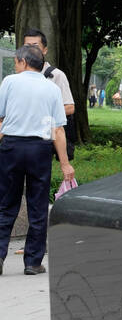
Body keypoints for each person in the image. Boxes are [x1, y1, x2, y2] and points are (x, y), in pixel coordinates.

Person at [0, 44, 75, 275]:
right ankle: (32, 262)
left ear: (23, 62)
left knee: (5, 204)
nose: (15, 65)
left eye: (16, 62)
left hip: (11, 147)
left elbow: (1, 119)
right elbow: (58, 131)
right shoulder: (51, 88)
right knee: (38, 205)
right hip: (39, 150)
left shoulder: (9, 82)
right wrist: (65, 164)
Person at [22, 29, 76, 161]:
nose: (30, 50)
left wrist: (39, 113)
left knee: (39, 174)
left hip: (43, 137)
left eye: (35, 46)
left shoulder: (56, 75)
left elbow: (69, 108)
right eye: (26, 47)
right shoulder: (17, 76)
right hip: (20, 137)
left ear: (45, 50)